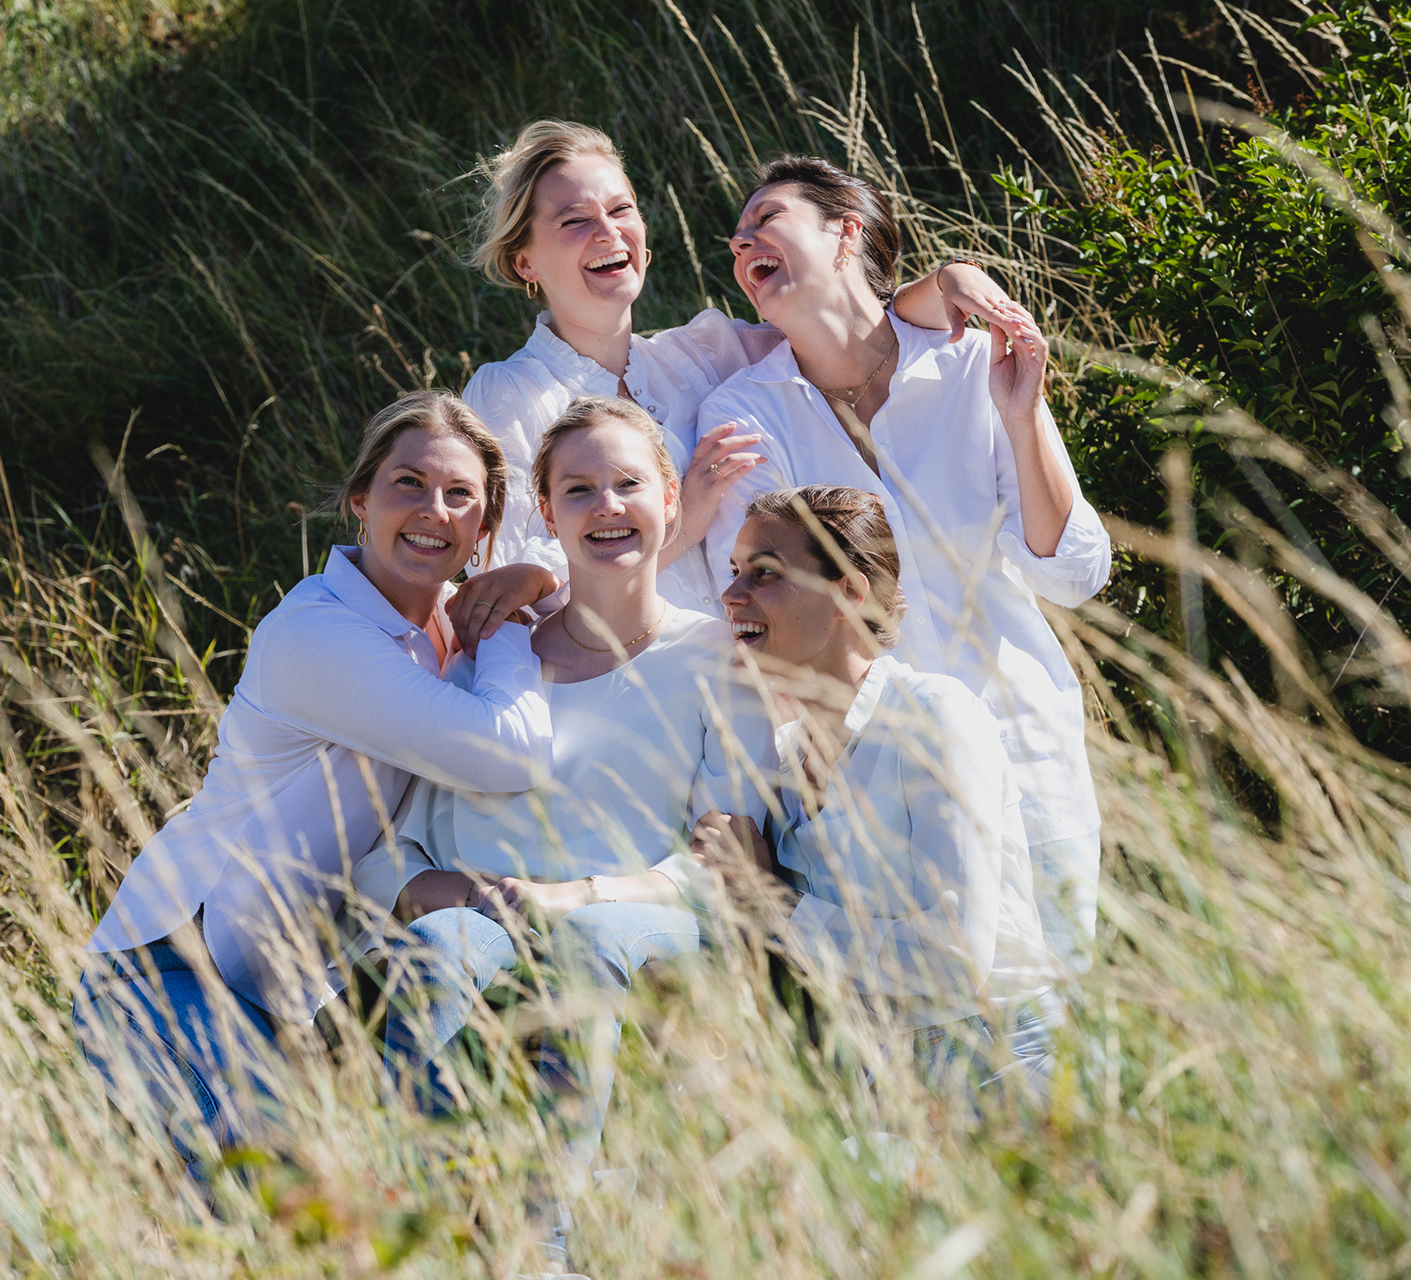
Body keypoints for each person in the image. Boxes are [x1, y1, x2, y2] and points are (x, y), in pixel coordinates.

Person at [73, 391, 554, 1178]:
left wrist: (532, 576)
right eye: (409, 483)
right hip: (166, 975)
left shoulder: (440, 634)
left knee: (320, 1215)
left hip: (280, 993)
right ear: (360, 500)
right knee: (271, 1210)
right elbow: (505, 753)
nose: (433, 509)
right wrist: (507, 620)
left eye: (460, 495)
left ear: (483, 528)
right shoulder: (318, 630)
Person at [353, 397, 768, 1273]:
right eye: (579, 490)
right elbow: (392, 847)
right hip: (488, 910)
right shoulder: (493, 656)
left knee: (584, 943)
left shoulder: (718, 658)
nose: (607, 507)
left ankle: (543, 1247)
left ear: (668, 495)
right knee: (435, 949)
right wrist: (462, 895)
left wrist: (574, 898)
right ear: (548, 515)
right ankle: (414, 1232)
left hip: (629, 915)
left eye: (628, 484)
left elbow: (717, 863)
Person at [697, 154, 1110, 970]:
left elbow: (1074, 574)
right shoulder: (744, 414)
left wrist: (1021, 420)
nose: (743, 248)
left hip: (1028, 749)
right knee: (923, 1038)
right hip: (876, 787)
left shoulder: (968, 364)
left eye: (766, 222)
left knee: (1057, 1044)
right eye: (735, 242)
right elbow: (761, 615)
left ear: (846, 231)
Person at [446, 119, 1028, 646]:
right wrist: (683, 520)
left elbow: (838, 325)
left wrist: (942, 282)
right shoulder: (508, 394)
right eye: (574, 221)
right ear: (525, 262)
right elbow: (516, 595)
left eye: (621, 210)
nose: (607, 232)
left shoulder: (699, 355)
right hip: (627, 690)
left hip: (748, 689)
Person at [692, 487, 1056, 1094]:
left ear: (849, 593)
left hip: (998, 1060)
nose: (731, 595)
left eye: (764, 573)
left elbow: (955, 959)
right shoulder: (781, 760)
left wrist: (773, 900)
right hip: (874, 1078)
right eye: (733, 572)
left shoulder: (934, 715)